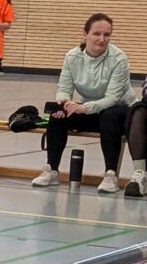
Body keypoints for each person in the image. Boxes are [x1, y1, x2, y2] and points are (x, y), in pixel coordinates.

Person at [31, 13, 133, 194]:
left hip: (121, 112)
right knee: (58, 117)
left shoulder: (119, 59)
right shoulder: (72, 56)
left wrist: (84, 108)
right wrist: (63, 103)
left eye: (107, 35)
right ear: (85, 34)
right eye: (96, 34)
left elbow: (112, 98)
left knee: (109, 115)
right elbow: (64, 88)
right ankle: (52, 170)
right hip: (92, 110)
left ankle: (111, 174)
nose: (102, 39)